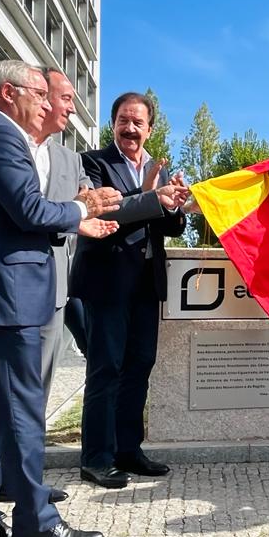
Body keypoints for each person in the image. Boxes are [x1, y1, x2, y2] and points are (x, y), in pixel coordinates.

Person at [0, 60, 119, 537]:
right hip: (3, 297)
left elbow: (15, 214)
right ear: (7, 92)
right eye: (39, 93)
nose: (46, 102)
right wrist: (83, 209)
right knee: (21, 412)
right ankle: (37, 523)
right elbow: (30, 210)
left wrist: (73, 209)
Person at [70, 92, 189, 489]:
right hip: (106, 281)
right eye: (123, 120)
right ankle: (96, 458)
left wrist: (173, 205)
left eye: (138, 122)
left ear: (149, 129)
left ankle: (128, 451)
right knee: (106, 369)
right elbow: (103, 209)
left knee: (140, 366)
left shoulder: (157, 165)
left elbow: (169, 229)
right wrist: (152, 197)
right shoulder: (92, 162)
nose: (130, 128)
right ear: (113, 124)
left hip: (146, 283)